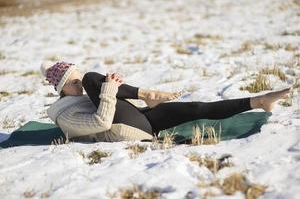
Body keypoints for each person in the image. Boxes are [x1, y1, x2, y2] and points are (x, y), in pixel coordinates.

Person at [41, 61, 291, 142]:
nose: (79, 85)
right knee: (94, 78)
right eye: (73, 83)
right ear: (61, 89)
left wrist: (112, 88)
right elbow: (102, 121)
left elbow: (109, 106)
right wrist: (108, 90)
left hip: (140, 118)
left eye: (77, 80)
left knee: (196, 108)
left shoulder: (79, 99)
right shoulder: (66, 117)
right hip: (128, 131)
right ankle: (147, 94)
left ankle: (259, 101)